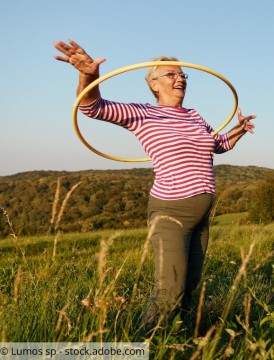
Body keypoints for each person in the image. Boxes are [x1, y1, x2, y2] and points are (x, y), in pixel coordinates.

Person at [53, 39, 257, 332]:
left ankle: (181, 343)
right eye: (171, 74)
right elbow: (92, 107)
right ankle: (147, 343)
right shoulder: (144, 114)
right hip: (170, 213)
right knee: (169, 292)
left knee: (189, 287)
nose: (180, 79)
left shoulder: (194, 116)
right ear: (153, 84)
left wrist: (240, 130)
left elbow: (217, 145)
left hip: (200, 216)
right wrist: (88, 76)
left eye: (183, 75)